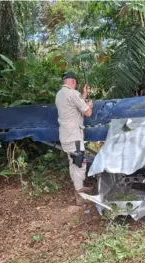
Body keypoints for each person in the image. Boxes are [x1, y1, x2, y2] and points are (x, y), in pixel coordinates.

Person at [55, 72, 93, 205]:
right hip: (74, 136)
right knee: (79, 163)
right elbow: (87, 112)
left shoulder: (60, 94)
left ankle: (79, 187)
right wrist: (89, 105)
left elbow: (74, 105)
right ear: (73, 82)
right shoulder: (73, 94)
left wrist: (83, 95)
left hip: (65, 135)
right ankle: (79, 194)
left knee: (73, 162)